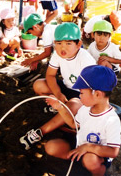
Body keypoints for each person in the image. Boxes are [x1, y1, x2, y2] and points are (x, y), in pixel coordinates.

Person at [19, 22, 96, 150]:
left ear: (78, 44)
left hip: (82, 94)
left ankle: (40, 132)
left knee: (74, 105)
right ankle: (58, 108)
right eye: (59, 43)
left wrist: (66, 99)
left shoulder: (86, 59)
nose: (62, 48)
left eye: (68, 43)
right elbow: (50, 75)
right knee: (38, 84)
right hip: (66, 87)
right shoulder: (57, 54)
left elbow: (90, 90)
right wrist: (58, 94)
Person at [45, 65, 120, 176]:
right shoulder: (85, 109)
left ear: (97, 94)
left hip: (97, 156)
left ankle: (99, 172)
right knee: (51, 147)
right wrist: (59, 107)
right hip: (80, 147)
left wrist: (88, 147)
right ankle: (76, 163)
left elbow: (113, 152)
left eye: (81, 93)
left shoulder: (111, 120)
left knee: (90, 160)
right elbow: (73, 124)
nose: (79, 96)